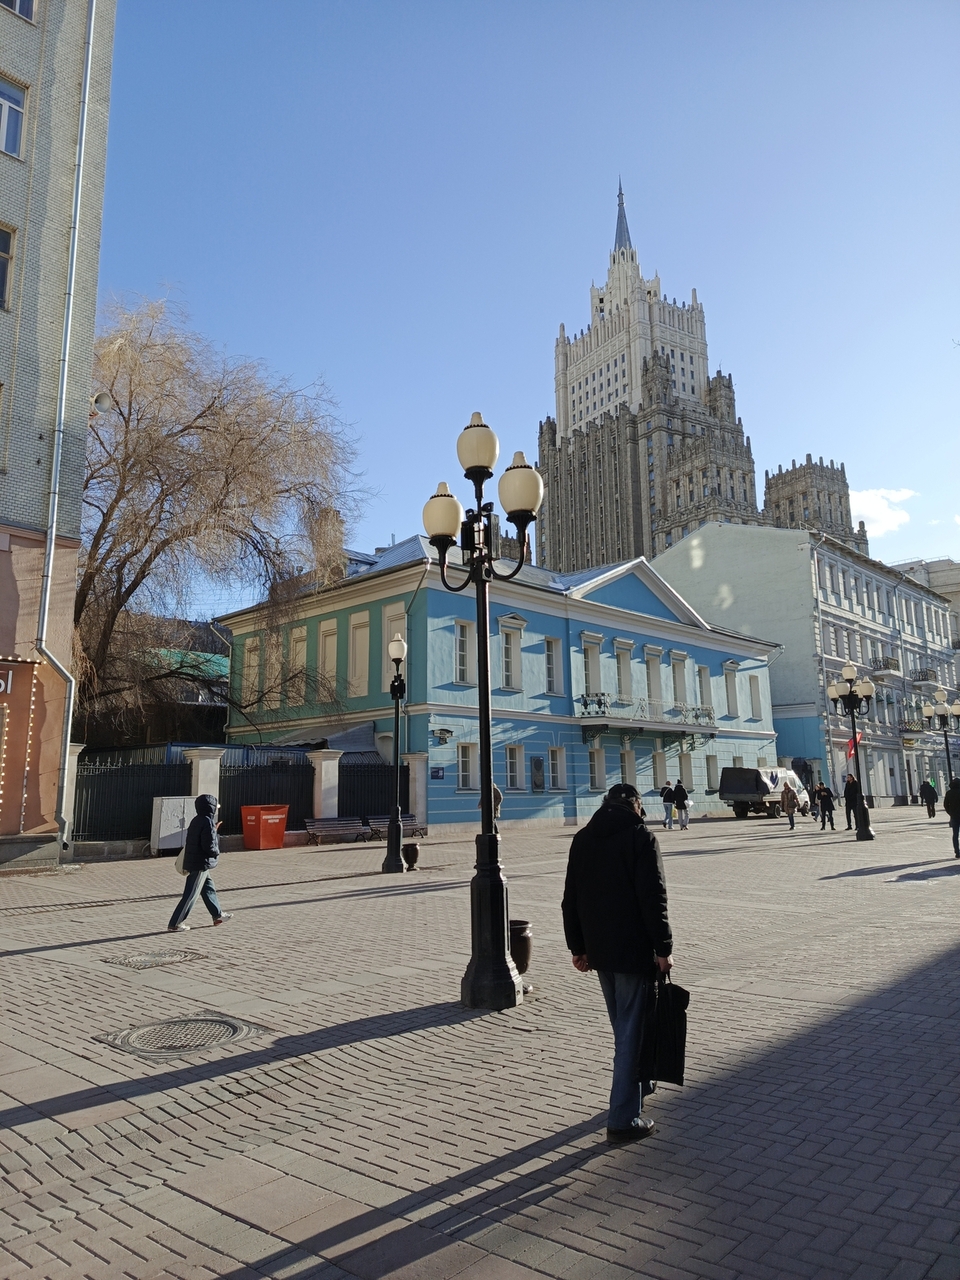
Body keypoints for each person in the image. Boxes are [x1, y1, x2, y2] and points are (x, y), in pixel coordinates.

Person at [561, 783, 673, 1145]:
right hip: (633, 952)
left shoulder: (583, 838)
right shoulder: (641, 838)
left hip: (599, 953)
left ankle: (639, 1083)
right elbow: (653, 897)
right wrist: (664, 948)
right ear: (636, 806)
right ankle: (623, 1118)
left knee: (625, 1028)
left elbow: (570, 899)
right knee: (630, 1033)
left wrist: (578, 947)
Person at [167, 795, 233, 932]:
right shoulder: (208, 822)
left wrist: (213, 831)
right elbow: (208, 845)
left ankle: (217, 915)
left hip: (196, 860)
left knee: (208, 888)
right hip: (200, 863)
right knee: (191, 894)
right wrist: (216, 851)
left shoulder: (196, 820)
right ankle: (175, 923)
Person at [944, 778, 960, 858]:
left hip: (954, 817)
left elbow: (946, 805)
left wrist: (951, 813)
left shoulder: (949, 793)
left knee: (955, 834)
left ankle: (957, 852)